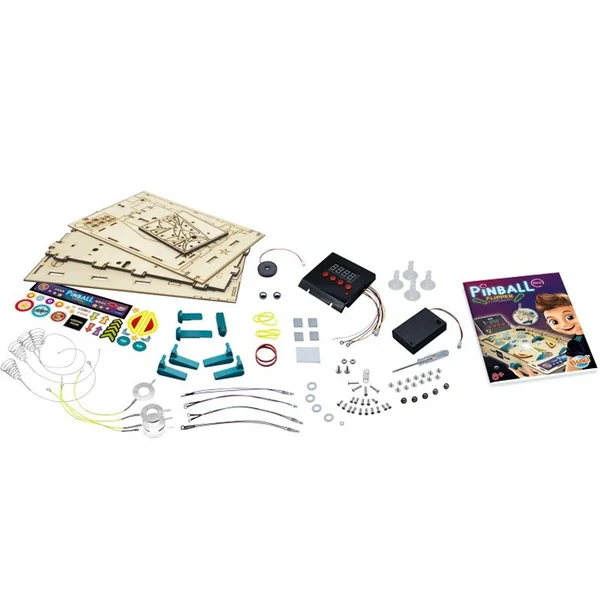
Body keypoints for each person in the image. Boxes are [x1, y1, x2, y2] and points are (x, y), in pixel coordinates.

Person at [534, 293, 596, 372]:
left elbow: (571, 373)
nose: (564, 324)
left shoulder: (575, 344)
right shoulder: (576, 341)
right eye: (554, 322)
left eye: (569, 317)